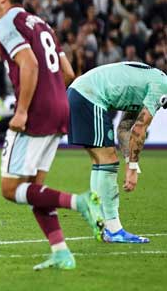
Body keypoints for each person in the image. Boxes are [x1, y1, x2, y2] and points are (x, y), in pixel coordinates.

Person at [0, 0, 102, 270]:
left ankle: (81, 202)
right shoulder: (41, 24)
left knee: (10, 189)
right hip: (59, 107)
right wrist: (51, 97)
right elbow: (67, 73)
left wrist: (22, 110)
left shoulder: (5, 23)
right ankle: (61, 252)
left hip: (36, 111)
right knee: (36, 189)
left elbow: (29, 63)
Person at [67, 61, 167, 243]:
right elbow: (139, 129)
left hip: (79, 92)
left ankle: (102, 224)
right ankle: (113, 230)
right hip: (90, 96)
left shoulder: (150, 80)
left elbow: (124, 127)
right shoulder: (162, 86)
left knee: (101, 162)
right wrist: (133, 168)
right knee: (108, 161)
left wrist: (129, 160)